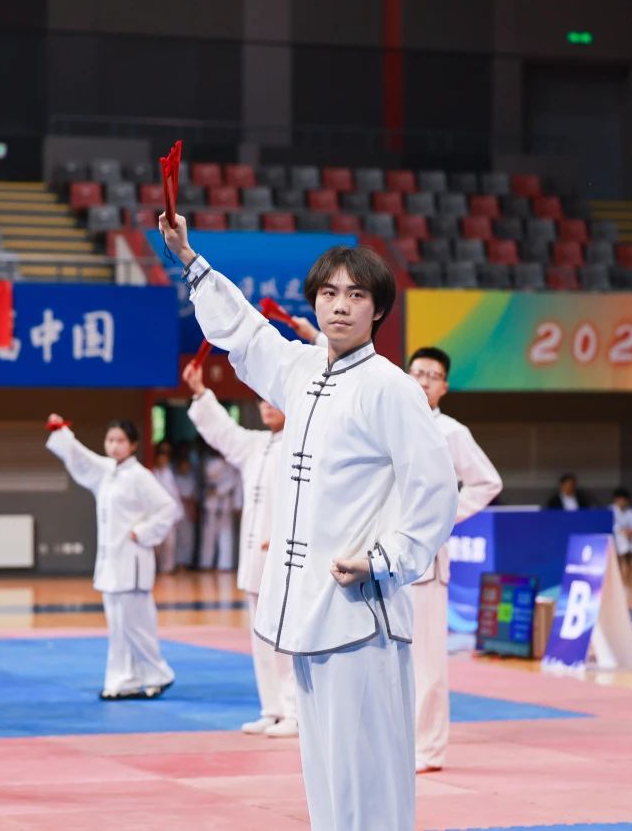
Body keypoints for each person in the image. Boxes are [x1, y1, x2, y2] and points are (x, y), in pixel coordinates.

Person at [160, 212, 458, 830]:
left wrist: (383, 559)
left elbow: (434, 491)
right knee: (323, 769)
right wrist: (190, 260)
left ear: (379, 309)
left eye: (356, 295)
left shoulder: (392, 387)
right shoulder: (300, 370)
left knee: (367, 767)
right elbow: (245, 331)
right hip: (304, 606)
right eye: (328, 293)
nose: (340, 306)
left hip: (360, 611)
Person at [184, 360, 298, 737]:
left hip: (288, 557)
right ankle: (272, 708)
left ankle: (295, 711)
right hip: (255, 558)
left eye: (273, 399)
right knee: (261, 638)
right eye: (261, 399)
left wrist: (286, 534)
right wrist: (201, 392)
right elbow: (224, 432)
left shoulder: (302, 445)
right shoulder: (257, 445)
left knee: (285, 637)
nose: (266, 405)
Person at [406, 345, 502, 774]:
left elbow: (487, 482)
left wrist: (444, 515)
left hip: (426, 563)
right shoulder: (390, 422)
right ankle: (396, 744)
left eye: (433, 375)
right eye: (418, 372)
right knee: (388, 661)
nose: (424, 381)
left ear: (444, 386)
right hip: (382, 559)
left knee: (427, 663)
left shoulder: (451, 431)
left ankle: (428, 749)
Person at [45, 416, 181, 700]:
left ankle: (158, 673)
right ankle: (125, 680)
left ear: (133, 445)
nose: (115, 446)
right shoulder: (108, 471)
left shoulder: (140, 475)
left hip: (132, 562)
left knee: (136, 627)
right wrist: (62, 432)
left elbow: (168, 507)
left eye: (121, 440)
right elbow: (82, 458)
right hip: (112, 564)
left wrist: (142, 532)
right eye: (110, 440)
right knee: (119, 628)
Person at [199, 450, 239, 571]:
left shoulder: (232, 465)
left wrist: (237, 504)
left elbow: (233, 484)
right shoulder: (209, 462)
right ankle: (205, 563)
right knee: (208, 537)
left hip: (225, 506)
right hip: (211, 506)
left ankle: (225, 565)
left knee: (225, 536)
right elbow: (209, 474)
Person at [151, 440, 180, 574]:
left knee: (170, 544)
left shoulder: (170, 473)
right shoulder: (152, 473)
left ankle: (167, 569)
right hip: (156, 513)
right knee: (156, 544)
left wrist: (178, 514)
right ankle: (154, 570)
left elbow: (176, 495)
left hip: (170, 513)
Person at [610, 488, 632, 568]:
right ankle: (623, 561)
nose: (622, 502)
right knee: (621, 537)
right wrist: (623, 531)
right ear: (615, 500)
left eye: (624, 500)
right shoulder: (610, 510)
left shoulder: (631, 512)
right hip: (615, 535)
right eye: (620, 500)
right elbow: (613, 526)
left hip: (630, 534)